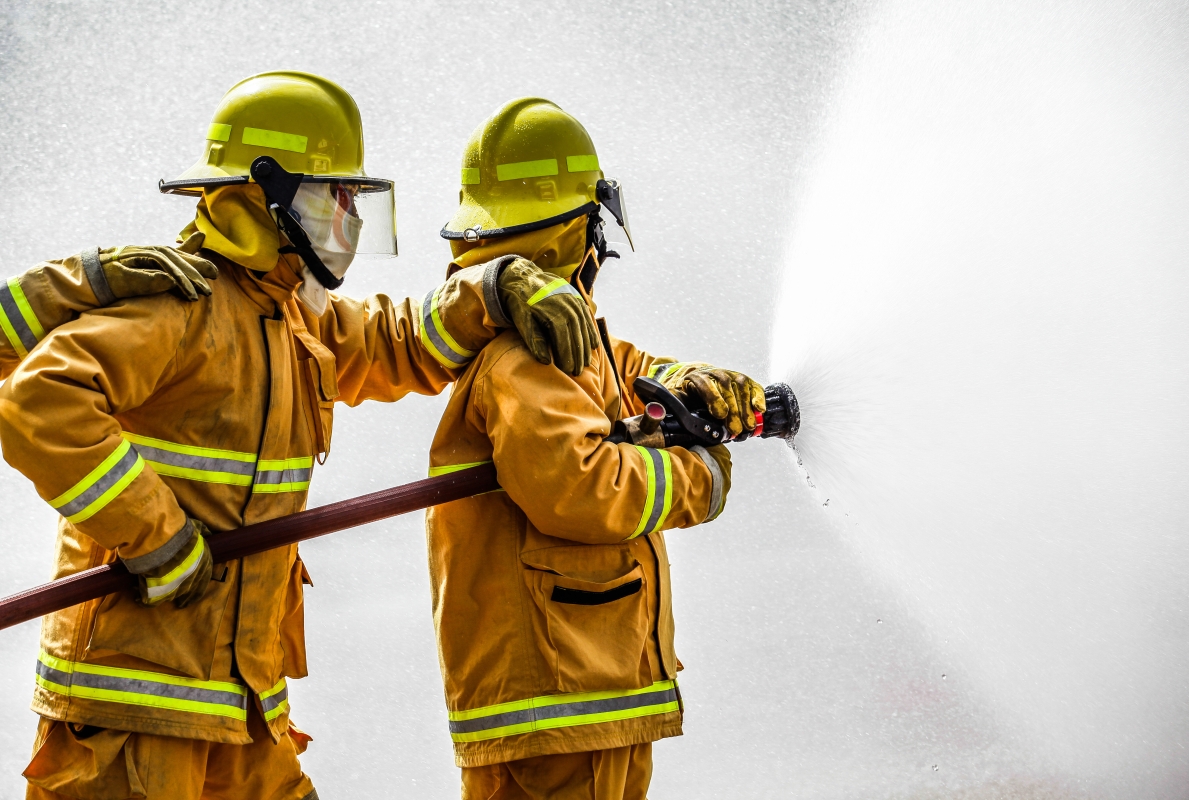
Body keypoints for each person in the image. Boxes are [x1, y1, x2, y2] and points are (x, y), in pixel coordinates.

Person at [0, 73, 594, 800]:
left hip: (238, 710)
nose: (345, 219)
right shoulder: (179, 307)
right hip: (133, 714)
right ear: (268, 194)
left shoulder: (286, 314)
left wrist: (495, 288)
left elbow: (394, 340)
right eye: (332, 198)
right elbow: (38, 404)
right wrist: (153, 535)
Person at [425, 97, 767, 800]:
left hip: (578, 695)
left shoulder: (556, 340)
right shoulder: (525, 356)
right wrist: (699, 475)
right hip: (561, 698)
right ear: (569, 234)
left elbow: (620, 368)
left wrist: (685, 381)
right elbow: (578, 489)